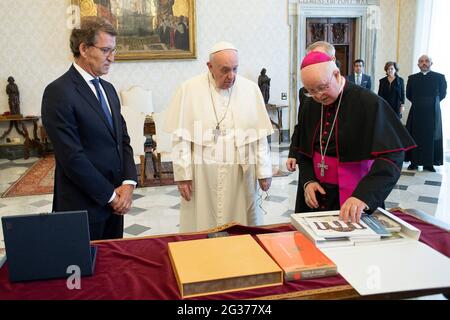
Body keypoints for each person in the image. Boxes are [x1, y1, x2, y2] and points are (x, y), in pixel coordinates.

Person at [41, 17, 137, 240]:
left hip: (116, 205)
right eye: (106, 50)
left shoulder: (109, 89)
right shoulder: (58, 92)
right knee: (82, 272)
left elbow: (123, 140)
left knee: (111, 268)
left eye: (113, 50)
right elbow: (72, 157)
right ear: (84, 49)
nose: (112, 58)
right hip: (82, 205)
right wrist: (111, 197)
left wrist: (128, 184)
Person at [293, 51, 415, 223]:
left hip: (356, 196)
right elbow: (303, 150)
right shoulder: (310, 104)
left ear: (336, 75)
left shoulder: (369, 102)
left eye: (322, 87)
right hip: (317, 194)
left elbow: (392, 156)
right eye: (311, 91)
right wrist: (308, 181)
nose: (318, 96)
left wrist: (363, 196)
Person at [164, 41, 274, 232]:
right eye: (224, 70)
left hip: (240, 172)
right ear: (210, 66)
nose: (231, 76)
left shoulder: (250, 90)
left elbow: (260, 137)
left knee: (241, 223)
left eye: (235, 69)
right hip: (203, 173)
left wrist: (264, 172)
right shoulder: (189, 89)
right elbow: (181, 138)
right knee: (203, 222)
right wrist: (183, 176)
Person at [287, 41, 336, 192]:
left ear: (332, 61)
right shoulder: (307, 94)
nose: (318, 95)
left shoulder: (357, 98)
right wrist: (293, 152)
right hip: (311, 170)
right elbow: (301, 125)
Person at [405, 55, 447, 172]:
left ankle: (429, 164)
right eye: (421, 61)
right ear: (418, 64)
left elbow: (442, 94)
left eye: (427, 61)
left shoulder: (439, 77)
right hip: (416, 112)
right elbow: (409, 95)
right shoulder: (412, 78)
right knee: (414, 136)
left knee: (430, 137)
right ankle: (414, 162)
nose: (424, 63)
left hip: (432, 112)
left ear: (431, 63)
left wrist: (429, 103)